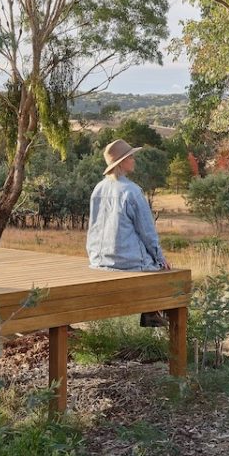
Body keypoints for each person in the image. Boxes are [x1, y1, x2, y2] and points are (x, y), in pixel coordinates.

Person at [87, 138, 170, 327]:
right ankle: (152, 314)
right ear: (122, 162)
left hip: (99, 259)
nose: (134, 160)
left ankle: (151, 313)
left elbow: (94, 226)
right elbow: (147, 231)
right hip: (126, 260)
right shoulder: (132, 191)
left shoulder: (98, 189)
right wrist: (160, 258)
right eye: (131, 157)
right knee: (167, 274)